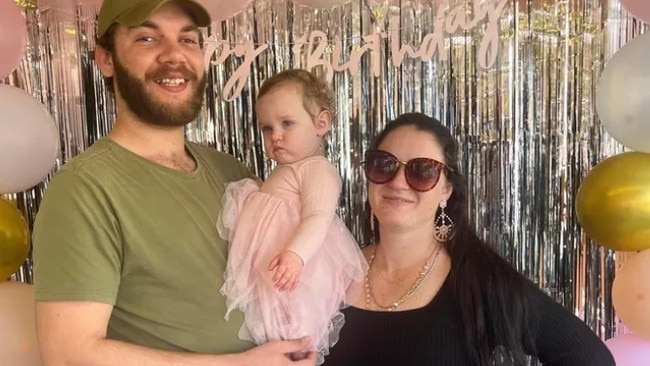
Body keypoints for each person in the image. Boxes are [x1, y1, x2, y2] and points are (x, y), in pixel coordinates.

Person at [31, 1, 316, 365]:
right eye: (148, 38)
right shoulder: (84, 188)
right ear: (105, 59)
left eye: (188, 40)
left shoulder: (231, 172)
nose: (174, 55)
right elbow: (70, 355)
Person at [323, 112, 616, 366]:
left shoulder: (478, 281)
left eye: (422, 171)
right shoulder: (328, 273)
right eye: (384, 164)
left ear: (446, 191)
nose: (398, 182)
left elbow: (590, 358)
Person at [216, 69, 367, 365]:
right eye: (266, 128)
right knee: (269, 321)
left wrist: (296, 256)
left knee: (293, 320)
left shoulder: (317, 169)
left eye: (287, 123)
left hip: (298, 267)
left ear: (321, 123)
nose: (276, 136)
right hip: (274, 265)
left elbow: (318, 218)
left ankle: (297, 353)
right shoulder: (289, 169)